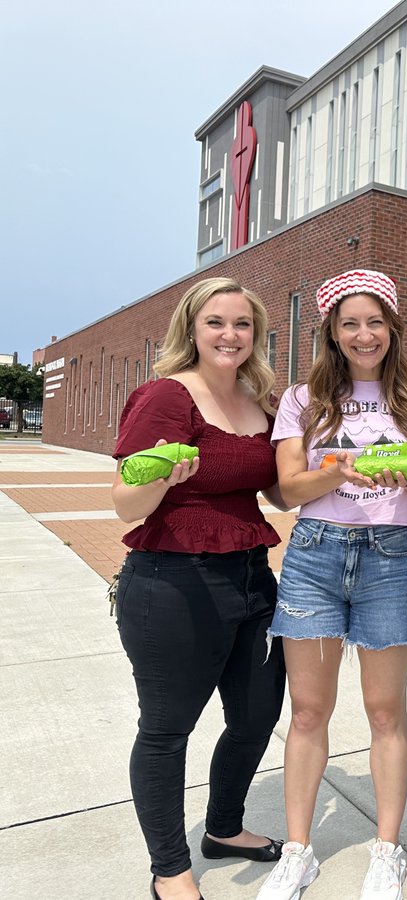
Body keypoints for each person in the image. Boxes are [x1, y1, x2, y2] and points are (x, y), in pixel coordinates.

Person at [255, 270, 407, 900]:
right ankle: (298, 851)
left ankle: (387, 851)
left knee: (384, 710)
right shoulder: (302, 400)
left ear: (392, 330)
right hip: (315, 554)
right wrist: (337, 468)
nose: (363, 335)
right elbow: (286, 490)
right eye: (350, 324)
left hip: (391, 557)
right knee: (309, 711)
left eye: (375, 323)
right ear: (332, 334)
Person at [112, 277, 289, 900]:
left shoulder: (259, 400)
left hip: (252, 578)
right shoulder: (166, 397)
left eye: (242, 325)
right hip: (173, 582)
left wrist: (336, 468)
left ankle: (223, 828)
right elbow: (124, 505)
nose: (229, 335)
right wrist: (165, 478)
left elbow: (278, 493)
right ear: (191, 327)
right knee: (167, 728)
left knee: (257, 716)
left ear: (256, 335)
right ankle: (170, 870)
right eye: (216, 322)